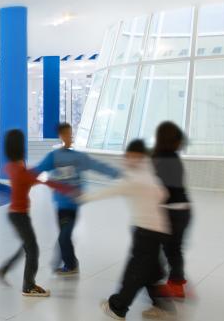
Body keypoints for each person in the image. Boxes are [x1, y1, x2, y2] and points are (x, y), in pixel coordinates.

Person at [79, 139, 172, 320]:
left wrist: (85, 197)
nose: (128, 159)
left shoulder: (134, 179)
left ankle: (118, 307)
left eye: (131, 155)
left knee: (135, 272)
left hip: (146, 231)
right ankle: (164, 307)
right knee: (152, 272)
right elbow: (163, 194)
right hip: (159, 230)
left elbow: (111, 191)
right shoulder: (149, 173)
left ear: (139, 156)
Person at [33, 122, 121, 276]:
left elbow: (97, 165)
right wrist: (20, 175)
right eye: (66, 134)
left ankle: (71, 264)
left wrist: (117, 173)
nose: (70, 137)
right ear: (61, 136)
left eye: (71, 133)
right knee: (64, 235)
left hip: (73, 204)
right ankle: (67, 262)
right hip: (61, 205)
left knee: (64, 235)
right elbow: (36, 170)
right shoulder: (53, 157)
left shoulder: (78, 157)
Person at [0, 129, 74, 297]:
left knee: (26, 246)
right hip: (20, 216)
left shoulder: (11, 166)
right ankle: (28, 286)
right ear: (20, 147)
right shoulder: (21, 171)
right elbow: (44, 182)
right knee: (33, 250)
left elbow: (30, 177)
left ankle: (4, 270)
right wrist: (66, 188)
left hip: (14, 214)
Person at [151, 121, 192, 299]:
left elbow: (159, 189)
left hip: (170, 211)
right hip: (183, 210)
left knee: (162, 248)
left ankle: (173, 283)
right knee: (174, 249)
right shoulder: (174, 158)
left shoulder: (159, 159)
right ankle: (176, 282)